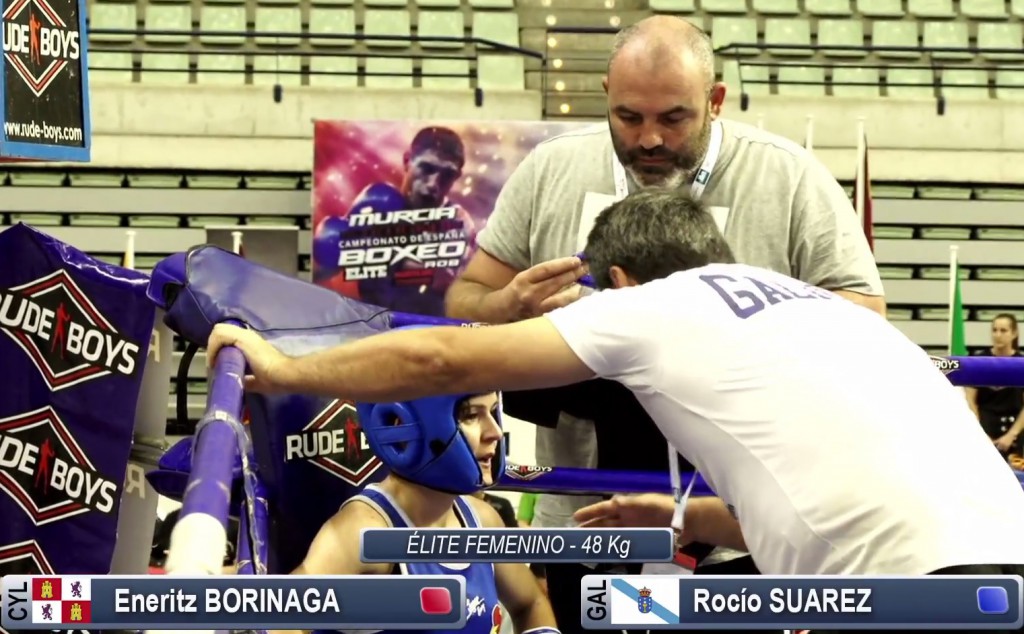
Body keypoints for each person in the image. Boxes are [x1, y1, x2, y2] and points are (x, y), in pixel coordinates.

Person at [209, 190, 1024, 591]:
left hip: (907, 590)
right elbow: (853, 480)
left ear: (622, 279)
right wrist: (685, 515)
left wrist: (283, 369)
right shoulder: (813, 308)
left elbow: (445, 362)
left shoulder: (653, 306)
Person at [441, 13, 885, 630]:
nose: (649, 139)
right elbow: (466, 299)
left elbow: (864, 316)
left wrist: (726, 322)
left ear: (715, 100)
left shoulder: (786, 176)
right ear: (605, 97)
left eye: (673, 118)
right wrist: (507, 307)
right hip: (586, 517)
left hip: (738, 527)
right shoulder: (551, 170)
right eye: (629, 117)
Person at [287, 387, 557, 634]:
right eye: (471, 415)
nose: (495, 432)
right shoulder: (364, 531)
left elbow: (530, 603)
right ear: (400, 425)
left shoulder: (481, 519)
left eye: (493, 411)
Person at [314, 126, 474, 316]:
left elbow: (452, 285)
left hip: (426, 332)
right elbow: (323, 267)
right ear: (407, 161)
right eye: (426, 168)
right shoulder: (380, 202)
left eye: (447, 175)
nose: (433, 184)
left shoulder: (456, 223)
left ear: (456, 176)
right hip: (370, 327)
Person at [966, 313, 1024, 456]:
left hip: (1015, 429)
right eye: (995, 330)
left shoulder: (1020, 363)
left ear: (1014, 333)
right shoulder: (978, 361)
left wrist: (1012, 435)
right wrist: (980, 433)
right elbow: (970, 401)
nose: (998, 335)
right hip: (984, 426)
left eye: (1003, 331)